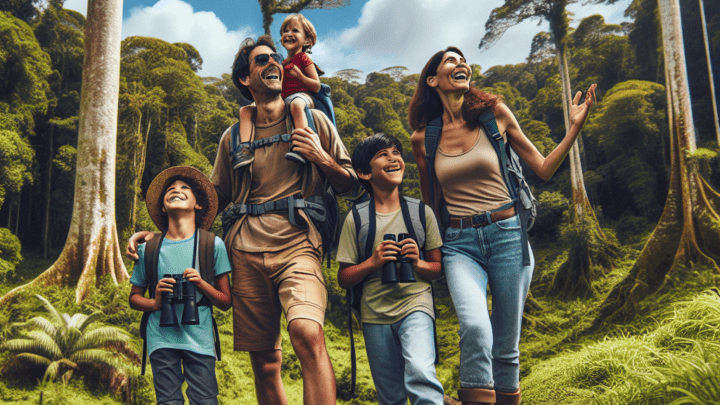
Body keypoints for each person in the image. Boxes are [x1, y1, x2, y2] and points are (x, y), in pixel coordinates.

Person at [126, 35, 358, 405]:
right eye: (261, 60)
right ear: (245, 80)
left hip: (298, 242)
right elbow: (211, 201)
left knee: (307, 332)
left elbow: (350, 184)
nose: (273, 64)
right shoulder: (232, 137)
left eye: (275, 58)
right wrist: (159, 234)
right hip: (244, 251)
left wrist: (320, 156)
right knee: (265, 361)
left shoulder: (311, 119)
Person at [408, 47, 596, 405]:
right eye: (451, 60)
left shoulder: (495, 116)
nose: (461, 63)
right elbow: (430, 204)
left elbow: (542, 168)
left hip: (508, 235)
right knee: (476, 328)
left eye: (464, 60)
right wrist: (428, 255)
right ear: (433, 80)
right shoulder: (424, 139)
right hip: (459, 244)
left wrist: (574, 128)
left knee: (507, 347)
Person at [336, 134, 445, 405]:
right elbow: (344, 278)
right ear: (363, 172)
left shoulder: (422, 213)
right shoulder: (357, 218)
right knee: (390, 395)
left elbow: (437, 268)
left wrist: (417, 263)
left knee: (421, 372)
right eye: (382, 155)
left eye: (396, 152)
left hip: (416, 303)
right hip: (374, 315)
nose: (393, 157)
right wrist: (374, 262)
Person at [128, 166, 232, 405]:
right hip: (160, 336)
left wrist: (201, 284)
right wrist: (155, 302)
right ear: (163, 206)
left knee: (205, 400)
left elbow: (226, 302)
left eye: (185, 188)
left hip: (200, 337)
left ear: (199, 204)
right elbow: (134, 298)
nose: (177, 190)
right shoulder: (148, 249)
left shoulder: (212, 245)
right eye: (170, 189)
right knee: (168, 401)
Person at [236, 13, 324, 167]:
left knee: (295, 104)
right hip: (286, 98)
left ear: (307, 40)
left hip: (303, 96)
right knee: (246, 110)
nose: (289, 34)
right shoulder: (283, 62)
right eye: (285, 31)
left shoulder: (303, 59)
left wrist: (299, 75)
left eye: (295, 31)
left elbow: (316, 86)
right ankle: (245, 150)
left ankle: (301, 146)